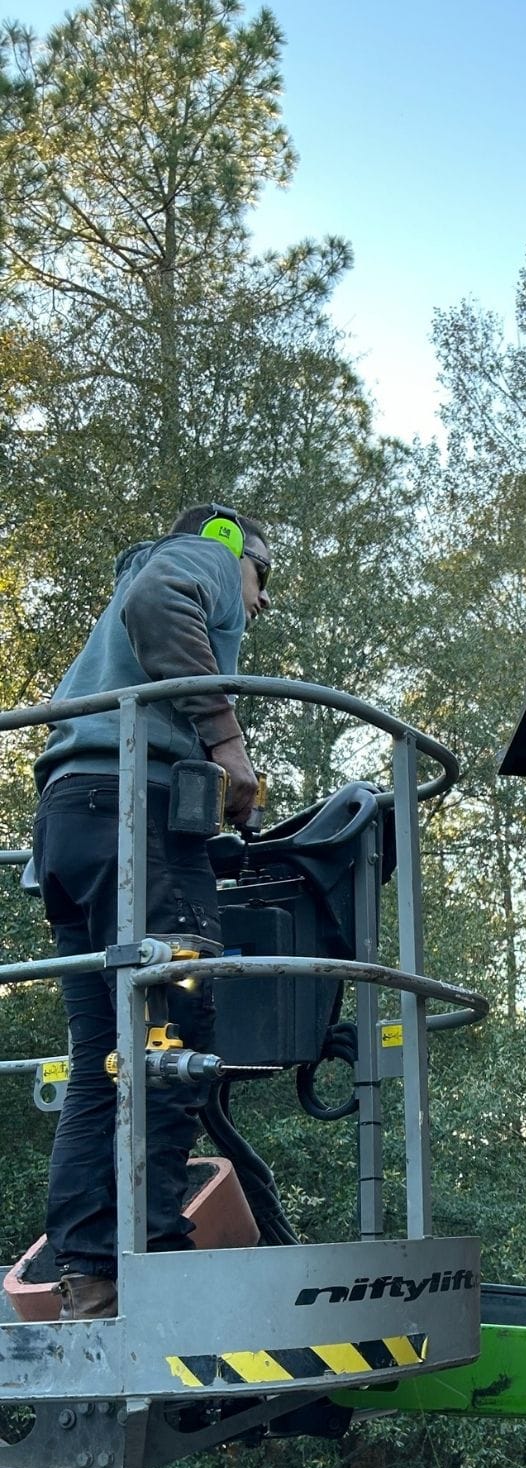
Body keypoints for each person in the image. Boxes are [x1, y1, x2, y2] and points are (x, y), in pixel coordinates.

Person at [30, 505, 272, 1320]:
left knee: (103, 1059)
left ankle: (91, 1283)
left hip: (68, 824)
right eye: (262, 578)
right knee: (175, 1036)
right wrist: (229, 748)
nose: (260, 605)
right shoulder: (201, 558)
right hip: (133, 810)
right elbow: (162, 603)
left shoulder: (105, 650)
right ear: (233, 549)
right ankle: (158, 1268)